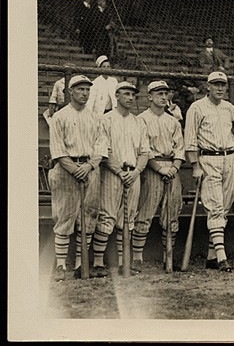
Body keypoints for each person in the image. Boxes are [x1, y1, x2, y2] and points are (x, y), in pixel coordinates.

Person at [48, 75, 108, 281]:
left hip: (90, 168)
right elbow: (57, 149)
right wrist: (75, 169)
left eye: (87, 90)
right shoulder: (59, 116)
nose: (84, 93)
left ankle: (82, 264)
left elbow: (101, 146)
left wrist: (90, 165)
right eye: (80, 89)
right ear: (70, 91)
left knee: (89, 216)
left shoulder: (95, 117)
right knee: (65, 216)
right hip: (66, 169)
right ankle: (61, 265)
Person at [184, 71, 234, 272]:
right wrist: (195, 165)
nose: (219, 88)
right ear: (207, 86)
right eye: (215, 84)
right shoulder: (197, 108)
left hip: (229, 158)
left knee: (225, 207)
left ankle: (211, 255)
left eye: (223, 85)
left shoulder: (229, 108)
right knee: (215, 207)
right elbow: (190, 140)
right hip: (208, 158)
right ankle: (222, 257)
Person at [92, 81, 149, 277]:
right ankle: (99, 262)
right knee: (107, 215)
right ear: (116, 96)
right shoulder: (105, 119)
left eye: (133, 95)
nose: (131, 98)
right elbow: (103, 151)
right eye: (126, 94)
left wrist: (135, 172)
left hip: (133, 174)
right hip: (112, 173)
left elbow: (144, 152)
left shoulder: (139, 121)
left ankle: (125, 262)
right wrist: (119, 172)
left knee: (129, 218)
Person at [134, 80, 185, 271]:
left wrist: (174, 168)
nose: (164, 97)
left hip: (172, 167)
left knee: (171, 213)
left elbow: (180, 147)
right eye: (159, 94)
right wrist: (160, 168)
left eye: (166, 94)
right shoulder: (141, 119)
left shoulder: (173, 120)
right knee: (145, 211)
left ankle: (168, 257)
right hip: (151, 167)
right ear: (150, 97)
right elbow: (144, 149)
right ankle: (137, 257)